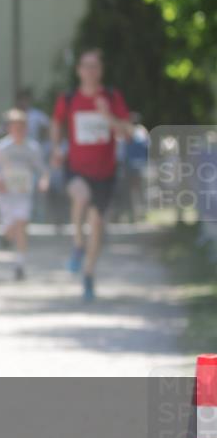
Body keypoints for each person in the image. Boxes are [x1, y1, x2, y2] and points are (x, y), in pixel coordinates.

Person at [50, 48, 130, 301]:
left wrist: (107, 115)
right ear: (79, 70)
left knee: (97, 224)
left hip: (105, 172)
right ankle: (77, 244)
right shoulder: (69, 98)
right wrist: (55, 147)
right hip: (76, 167)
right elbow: (56, 123)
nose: (90, 71)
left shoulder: (112, 97)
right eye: (86, 66)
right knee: (80, 196)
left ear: (101, 70)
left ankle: (89, 273)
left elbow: (127, 132)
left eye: (94, 66)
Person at [0, 109, 50, 280]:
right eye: (15, 126)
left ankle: (20, 265)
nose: (19, 130)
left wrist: (43, 182)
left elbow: (42, 169)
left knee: (21, 224)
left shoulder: (32, 147)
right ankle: (6, 236)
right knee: (10, 228)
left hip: (23, 194)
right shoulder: (1, 147)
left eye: (22, 126)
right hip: (6, 194)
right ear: (9, 128)